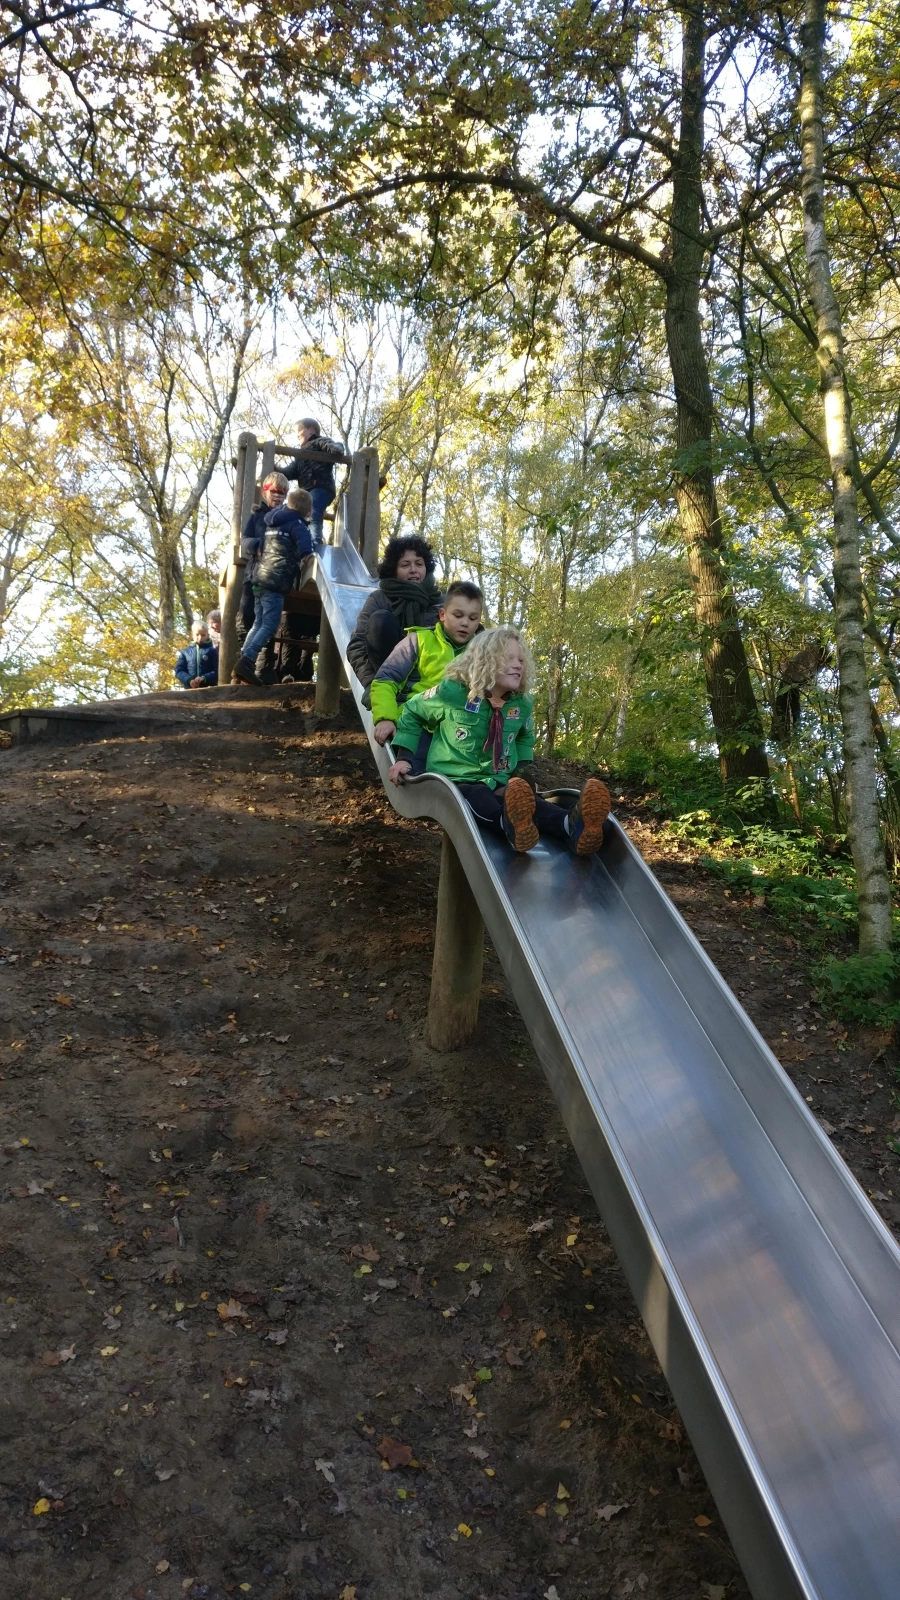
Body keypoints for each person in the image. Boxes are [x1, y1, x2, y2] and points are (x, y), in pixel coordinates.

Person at [387, 626, 611, 856]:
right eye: (509, 658)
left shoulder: (521, 704)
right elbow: (412, 713)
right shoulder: (452, 692)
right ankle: (509, 825)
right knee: (478, 797)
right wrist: (405, 758)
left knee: (532, 804)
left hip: (499, 778)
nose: (518, 665)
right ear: (485, 661)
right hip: (455, 779)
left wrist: (520, 772)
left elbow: (525, 737)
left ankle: (571, 824)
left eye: (522, 660)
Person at [369, 580, 483, 748]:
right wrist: (386, 718)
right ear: (443, 614)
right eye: (458, 616)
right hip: (415, 723)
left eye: (473, 618)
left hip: (458, 731)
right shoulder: (418, 641)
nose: (465, 623)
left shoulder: (482, 654)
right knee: (416, 763)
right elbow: (386, 680)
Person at [232, 488, 313, 686]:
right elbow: (306, 549)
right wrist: (309, 558)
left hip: (258, 579)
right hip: (275, 583)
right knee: (269, 625)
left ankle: (242, 663)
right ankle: (247, 661)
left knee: (259, 623)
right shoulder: (298, 525)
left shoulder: (271, 523)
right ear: (308, 512)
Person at [347, 535, 443, 688]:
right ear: (395, 570)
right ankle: (389, 685)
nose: (413, 570)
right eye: (405, 565)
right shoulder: (379, 599)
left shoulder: (441, 602)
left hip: (432, 680)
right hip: (389, 677)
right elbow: (357, 645)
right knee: (380, 620)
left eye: (419, 564)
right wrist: (371, 685)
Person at [239, 471, 289, 646]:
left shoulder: (287, 519)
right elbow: (244, 541)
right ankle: (243, 656)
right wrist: (257, 545)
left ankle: (262, 665)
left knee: (267, 620)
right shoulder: (257, 516)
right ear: (264, 492)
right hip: (253, 573)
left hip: (273, 577)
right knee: (247, 615)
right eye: (274, 491)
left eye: (282, 493)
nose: (277, 496)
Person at [285, 418, 344, 546]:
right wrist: (277, 470)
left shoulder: (318, 442)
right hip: (307, 493)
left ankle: (315, 543)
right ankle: (301, 542)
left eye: (299, 432)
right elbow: (290, 472)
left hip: (321, 487)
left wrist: (336, 448)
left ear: (311, 430)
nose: (297, 437)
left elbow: (334, 446)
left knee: (313, 510)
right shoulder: (300, 455)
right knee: (297, 513)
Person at [175, 620, 219, 690]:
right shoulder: (185, 652)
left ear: (208, 635)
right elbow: (179, 671)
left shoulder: (212, 651)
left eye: (203, 635)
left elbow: (217, 671)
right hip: (190, 690)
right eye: (197, 634)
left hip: (210, 690)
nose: (200, 638)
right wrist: (189, 680)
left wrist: (204, 678)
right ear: (192, 634)